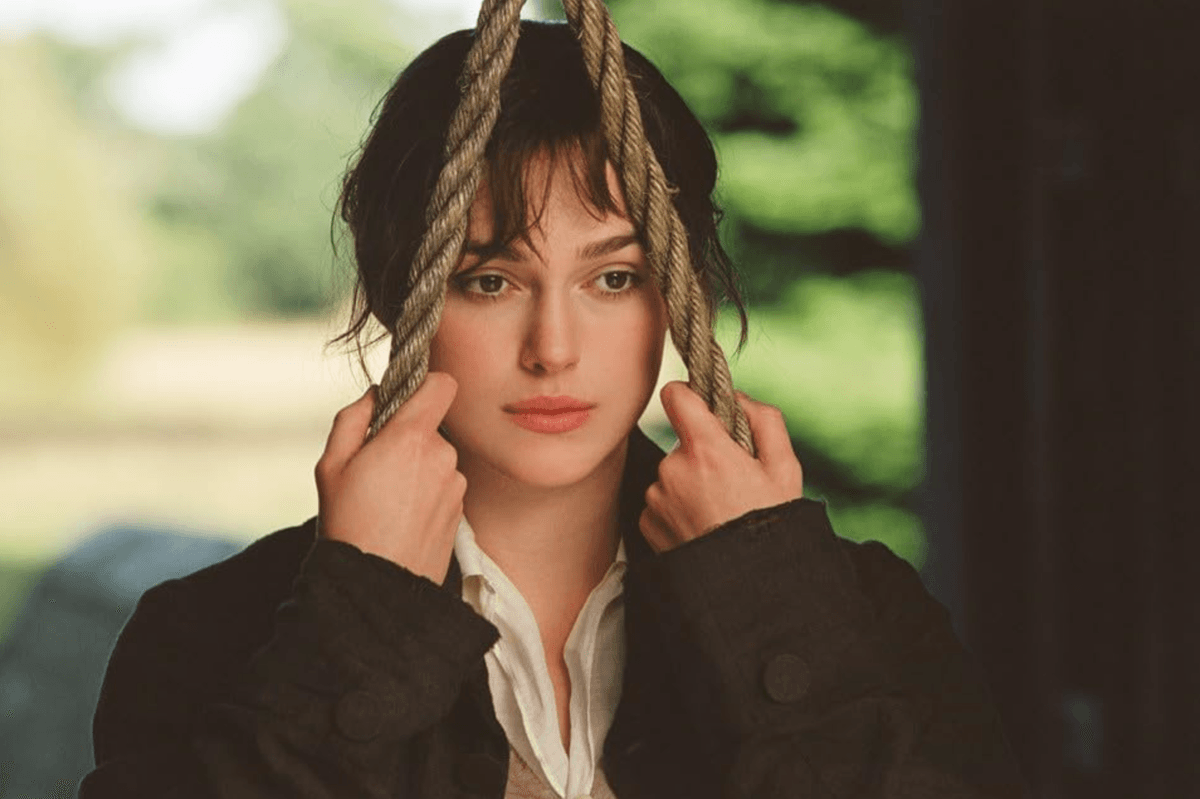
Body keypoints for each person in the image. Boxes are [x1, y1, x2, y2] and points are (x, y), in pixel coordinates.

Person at [81, 20, 1028, 799]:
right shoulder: (209, 636)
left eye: (613, 277)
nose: (554, 347)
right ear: (398, 297)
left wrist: (768, 609)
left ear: (680, 294)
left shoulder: (857, 617)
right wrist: (358, 625)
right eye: (489, 281)